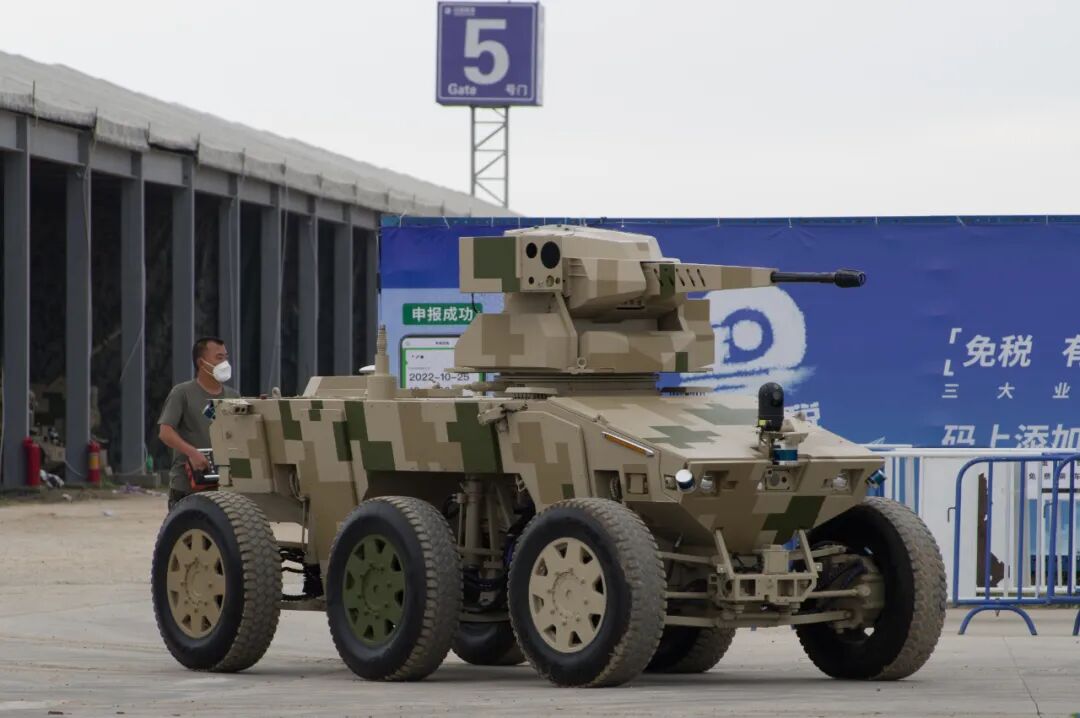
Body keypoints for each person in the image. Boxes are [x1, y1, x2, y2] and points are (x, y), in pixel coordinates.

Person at [158, 337, 238, 510]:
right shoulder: (182, 393)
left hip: (225, 488)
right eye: (219, 358)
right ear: (201, 363)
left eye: (226, 357)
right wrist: (192, 453)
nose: (225, 363)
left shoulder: (233, 396)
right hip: (188, 486)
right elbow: (165, 432)